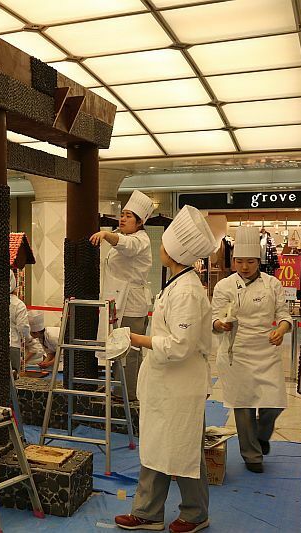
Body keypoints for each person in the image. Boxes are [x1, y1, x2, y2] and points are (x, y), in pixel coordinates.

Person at [115, 205, 217, 533]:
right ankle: (147, 512)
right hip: (164, 382)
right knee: (156, 444)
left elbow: (179, 345)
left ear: (171, 252)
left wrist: (135, 339)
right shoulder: (175, 284)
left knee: (185, 449)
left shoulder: (186, 290)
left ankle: (195, 513)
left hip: (181, 383)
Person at [212, 225, 292, 473]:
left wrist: (281, 329)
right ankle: (252, 456)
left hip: (266, 350)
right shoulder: (224, 286)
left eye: (250, 261)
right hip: (236, 352)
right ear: (233, 261)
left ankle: (261, 434)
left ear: (259, 261)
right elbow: (214, 319)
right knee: (244, 406)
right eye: (239, 261)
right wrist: (220, 324)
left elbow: (284, 315)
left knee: (275, 401)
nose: (244, 267)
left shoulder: (272, 284)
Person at [89, 190, 154, 402]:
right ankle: (119, 391)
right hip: (118, 301)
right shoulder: (124, 235)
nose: (123, 218)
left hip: (133, 304)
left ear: (140, 221)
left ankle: (130, 395)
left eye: (128, 216)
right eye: (123, 214)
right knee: (119, 347)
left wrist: (107, 235)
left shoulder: (140, 239)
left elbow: (128, 247)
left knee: (131, 351)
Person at [9, 271, 44, 373]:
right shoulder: (17, 304)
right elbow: (23, 327)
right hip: (12, 345)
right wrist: (29, 340)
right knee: (11, 377)